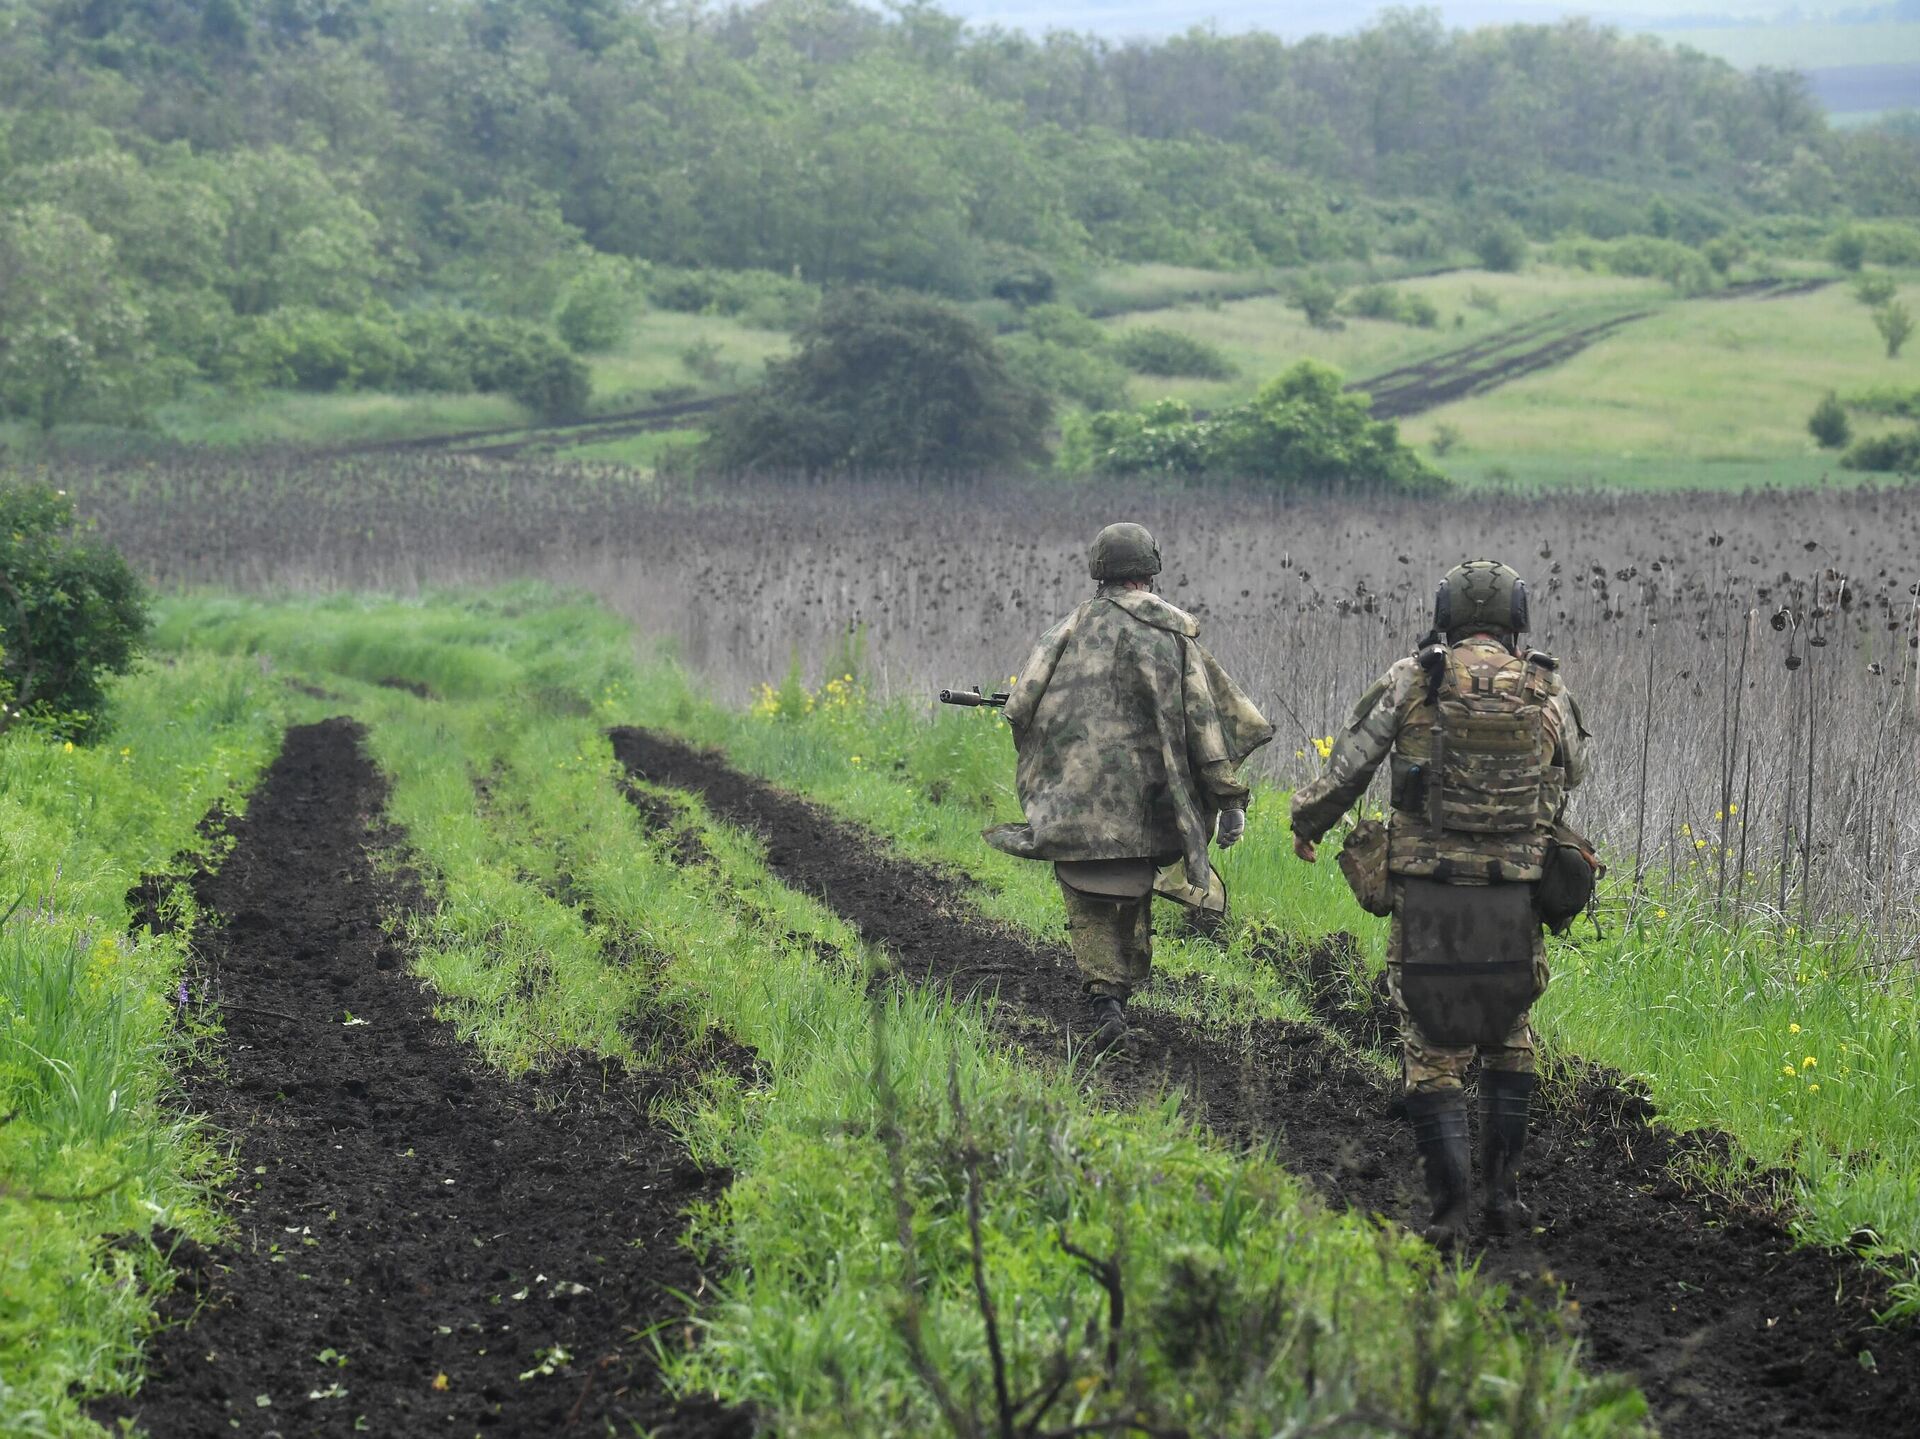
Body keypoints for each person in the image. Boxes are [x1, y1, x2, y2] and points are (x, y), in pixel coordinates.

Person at [1289, 559, 1589, 1245]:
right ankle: (1503, 1199)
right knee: (1510, 1038)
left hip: (1427, 896)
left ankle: (1451, 1209)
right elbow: (1575, 767)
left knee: (1431, 1049)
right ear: (1516, 618)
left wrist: (1308, 825)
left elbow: (1347, 768)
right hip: (1514, 897)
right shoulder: (1545, 684)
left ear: (1445, 614)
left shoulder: (1413, 678)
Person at [985, 522, 1273, 1055]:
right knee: (1133, 879)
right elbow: (1210, 727)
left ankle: (1105, 997)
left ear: (1099, 572)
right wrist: (1230, 800)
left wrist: (1056, 769)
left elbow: (1020, 710)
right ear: (1150, 571)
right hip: (1150, 808)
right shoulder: (1174, 638)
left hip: (1074, 803)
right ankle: (1116, 992)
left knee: (1088, 889)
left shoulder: (1064, 633)